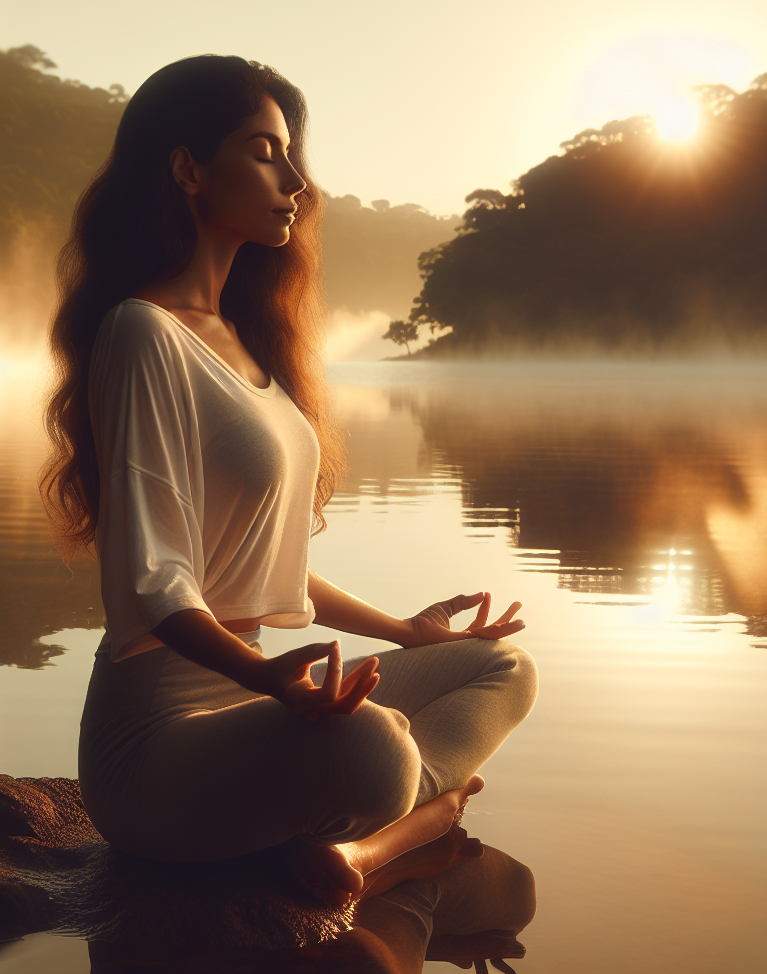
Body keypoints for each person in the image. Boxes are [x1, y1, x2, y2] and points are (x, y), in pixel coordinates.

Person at [38, 54, 538, 906]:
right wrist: (266, 678)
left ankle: (359, 852)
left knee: (500, 667)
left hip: (254, 703)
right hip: (155, 745)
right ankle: (411, 830)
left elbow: (260, 559)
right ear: (188, 169)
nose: (295, 179)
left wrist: (408, 632)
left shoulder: (247, 346)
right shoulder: (141, 332)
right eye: (264, 150)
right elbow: (156, 580)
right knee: (379, 751)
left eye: (291, 153)